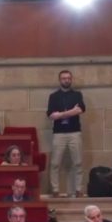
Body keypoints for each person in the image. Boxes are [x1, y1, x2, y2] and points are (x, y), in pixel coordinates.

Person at [47, 69, 86, 197]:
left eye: (69, 78)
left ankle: (79, 190)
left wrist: (61, 114)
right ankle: (55, 190)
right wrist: (69, 112)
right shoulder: (53, 96)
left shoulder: (77, 95)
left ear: (71, 79)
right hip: (59, 134)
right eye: (64, 78)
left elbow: (80, 110)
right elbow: (51, 116)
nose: (66, 80)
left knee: (78, 162)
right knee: (55, 163)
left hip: (75, 132)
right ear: (60, 80)